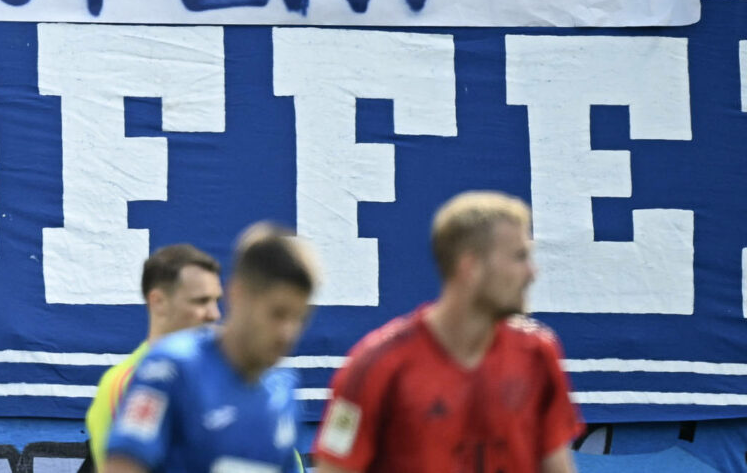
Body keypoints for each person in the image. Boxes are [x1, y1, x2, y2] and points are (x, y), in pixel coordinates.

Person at [315, 194, 581, 473]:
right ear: (471, 266)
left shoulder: (538, 354)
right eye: (519, 257)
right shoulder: (373, 366)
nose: (532, 273)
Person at [101, 228, 317, 473]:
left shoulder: (283, 390)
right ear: (238, 294)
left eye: (300, 317)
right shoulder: (170, 369)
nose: (288, 333)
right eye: (277, 314)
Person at [88, 246, 225, 469]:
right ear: (158, 302)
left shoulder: (238, 375)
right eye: (201, 301)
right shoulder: (125, 383)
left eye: (216, 300)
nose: (214, 314)